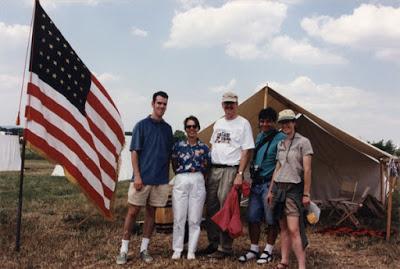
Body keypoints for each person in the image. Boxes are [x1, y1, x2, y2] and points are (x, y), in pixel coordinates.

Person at [116, 91, 173, 265]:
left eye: (164, 104)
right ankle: (124, 250)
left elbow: (169, 154)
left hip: (160, 180)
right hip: (142, 179)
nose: (161, 106)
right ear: (152, 104)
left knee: (151, 214)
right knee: (133, 212)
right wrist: (138, 176)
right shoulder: (141, 125)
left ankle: (144, 249)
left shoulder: (168, 128)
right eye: (159, 103)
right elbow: (134, 152)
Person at [201, 91, 255, 259]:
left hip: (231, 170)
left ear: (237, 104)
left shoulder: (243, 123)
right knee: (211, 206)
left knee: (227, 207)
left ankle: (225, 247)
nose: (229, 106)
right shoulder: (218, 123)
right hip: (214, 168)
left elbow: (246, 150)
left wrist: (240, 173)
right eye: (226, 103)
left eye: (232, 103)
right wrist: (207, 169)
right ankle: (213, 242)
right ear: (222, 105)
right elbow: (213, 147)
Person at [238, 108, 286, 264]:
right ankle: (253, 249)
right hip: (256, 183)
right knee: (252, 217)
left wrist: (274, 187)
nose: (265, 124)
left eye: (268, 121)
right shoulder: (259, 136)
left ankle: (269, 250)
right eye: (262, 121)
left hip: (269, 183)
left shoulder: (281, 138)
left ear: (274, 122)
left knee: (271, 219)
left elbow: (282, 164)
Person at [266, 109, 313, 269]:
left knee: (294, 229)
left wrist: (306, 194)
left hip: (294, 189)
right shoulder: (280, 143)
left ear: (294, 123)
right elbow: (277, 168)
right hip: (279, 188)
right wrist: (271, 190)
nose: (285, 125)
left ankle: (301, 265)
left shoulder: (303, 142)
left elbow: (307, 170)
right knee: (283, 228)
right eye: (283, 122)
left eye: (288, 121)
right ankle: (284, 261)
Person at [170, 116, 210, 260]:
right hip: (181, 178)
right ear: (185, 129)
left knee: (194, 218)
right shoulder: (178, 146)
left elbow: (207, 166)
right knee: (179, 216)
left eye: (194, 126)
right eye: (188, 126)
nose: (191, 129)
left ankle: (191, 250)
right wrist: (182, 175)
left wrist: (199, 178)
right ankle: (178, 249)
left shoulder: (204, 147)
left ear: (198, 128)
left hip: (198, 179)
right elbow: (174, 162)